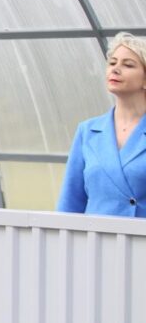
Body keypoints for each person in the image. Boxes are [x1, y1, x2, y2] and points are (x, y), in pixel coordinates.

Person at [58, 32, 146, 217]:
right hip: (96, 242)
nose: (115, 69)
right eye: (112, 63)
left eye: (128, 65)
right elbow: (70, 202)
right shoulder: (88, 131)